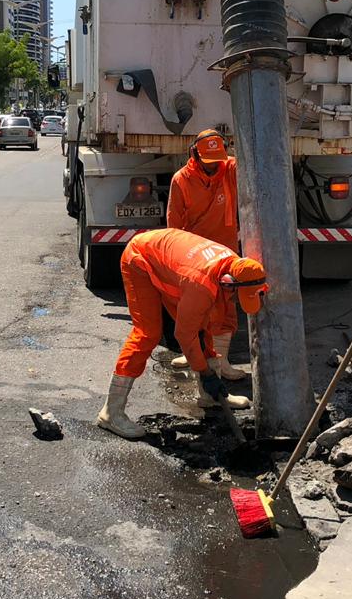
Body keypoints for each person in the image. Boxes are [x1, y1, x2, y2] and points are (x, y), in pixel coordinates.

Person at [97, 228, 268, 439]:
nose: (235, 303)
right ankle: (111, 412)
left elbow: (201, 322)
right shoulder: (200, 284)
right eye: (236, 297)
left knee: (201, 320)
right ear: (228, 283)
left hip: (172, 263)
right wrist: (205, 372)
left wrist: (208, 368)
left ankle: (209, 397)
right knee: (148, 333)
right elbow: (184, 335)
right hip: (140, 258)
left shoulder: (233, 265)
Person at [167, 129, 249, 380]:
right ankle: (194, 352)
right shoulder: (181, 180)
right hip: (195, 256)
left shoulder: (230, 169)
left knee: (225, 307)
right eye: (208, 161)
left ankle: (221, 361)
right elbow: (174, 225)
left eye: (218, 160)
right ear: (195, 155)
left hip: (225, 254)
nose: (214, 167)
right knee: (195, 308)